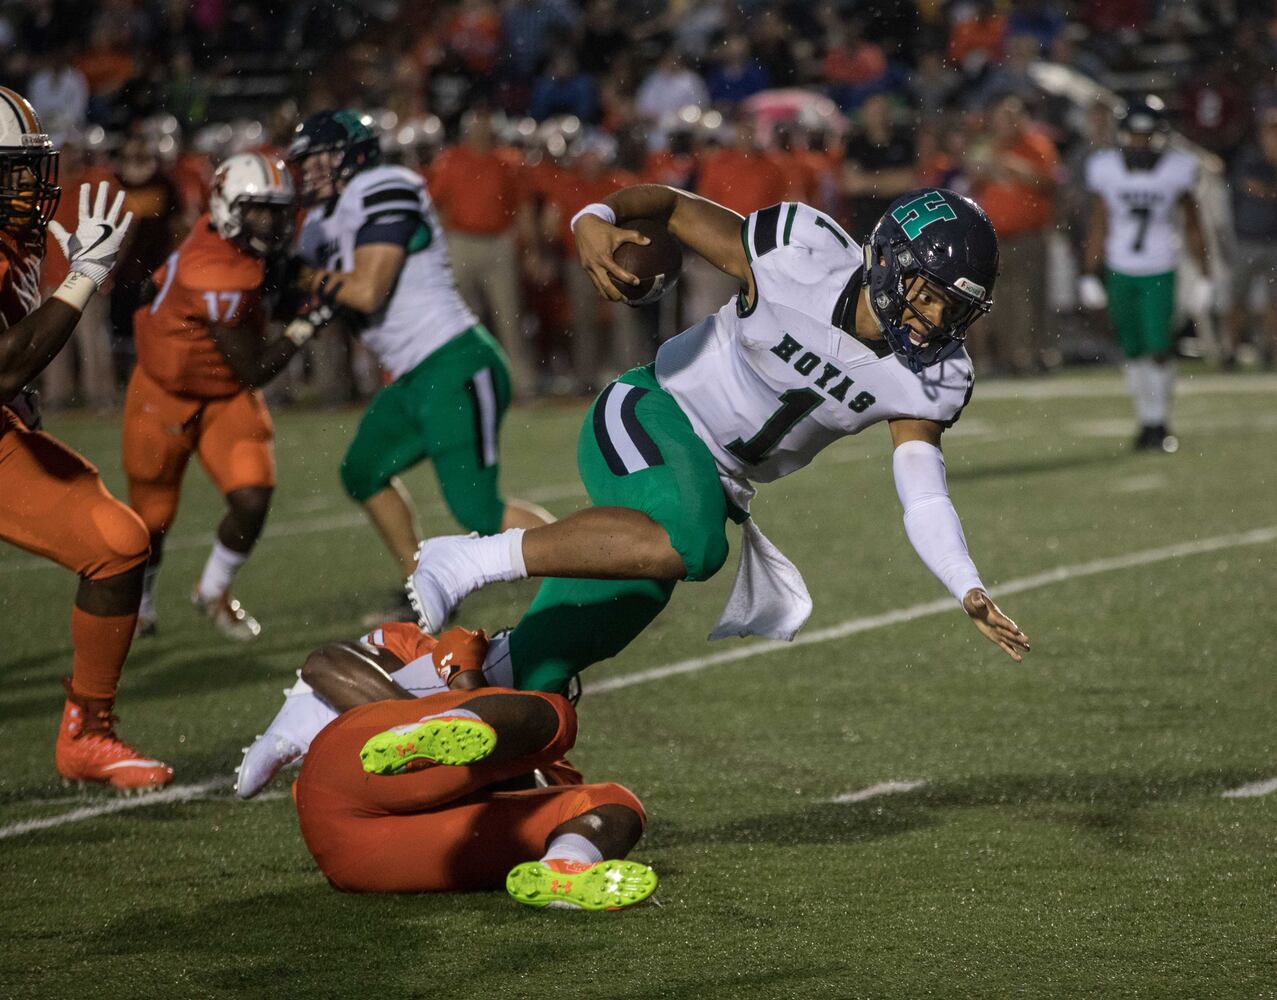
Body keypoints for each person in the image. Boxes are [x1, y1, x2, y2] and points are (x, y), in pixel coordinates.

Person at [406, 184, 1031, 696]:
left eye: (954, 310)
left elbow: (924, 493)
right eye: (928, 295)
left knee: (560, 651)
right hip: (649, 412)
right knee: (695, 544)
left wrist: (966, 584)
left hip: (713, 483)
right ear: (891, 261)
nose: (934, 320)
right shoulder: (800, 253)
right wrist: (595, 215)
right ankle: (466, 560)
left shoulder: (935, 378)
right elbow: (673, 208)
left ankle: (413, 690)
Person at [288, 110, 552, 614]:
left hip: (453, 360)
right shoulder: (319, 223)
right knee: (363, 471)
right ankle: (424, 586)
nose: (312, 170)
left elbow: (366, 291)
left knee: (478, 510)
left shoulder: (385, 185)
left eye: (322, 158)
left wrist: (298, 275)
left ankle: (594, 576)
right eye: (307, 162)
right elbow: (307, 297)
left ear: (354, 154)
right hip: (413, 377)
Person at [0, 86, 172, 789]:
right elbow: (4, 365)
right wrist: (85, 277)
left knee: (116, 542)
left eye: (27, 167)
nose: (30, 184)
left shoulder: (15, 234)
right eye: (11, 169)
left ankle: (88, 733)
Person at [263, 624, 657, 909]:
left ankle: (565, 864)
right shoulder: (426, 648)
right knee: (558, 716)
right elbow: (324, 663)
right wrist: (441, 700)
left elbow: (521, 795)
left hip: (365, 855)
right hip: (348, 777)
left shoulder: (552, 762)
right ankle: (452, 723)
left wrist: (467, 686)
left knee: (617, 802)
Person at [125, 152, 331, 639]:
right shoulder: (214, 270)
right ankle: (141, 603)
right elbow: (255, 369)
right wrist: (309, 323)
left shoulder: (220, 234)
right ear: (227, 207)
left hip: (224, 393)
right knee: (151, 520)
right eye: (259, 210)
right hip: (166, 395)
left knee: (253, 497)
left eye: (277, 211)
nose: (271, 223)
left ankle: (213, 590)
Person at [1079, 98, 1209, 452]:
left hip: (1159, 267)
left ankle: (1160, 421)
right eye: (1134, 136)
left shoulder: (1177, 169)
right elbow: (1099, 221)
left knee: (1159, 347)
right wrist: (1089, 272)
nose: (1140, 143)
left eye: (1147, 135)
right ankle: (1145, 420)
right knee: (1132, 349)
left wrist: (1205, 274)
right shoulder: (1106, 167)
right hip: (1120, 267)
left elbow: (1194, 224)